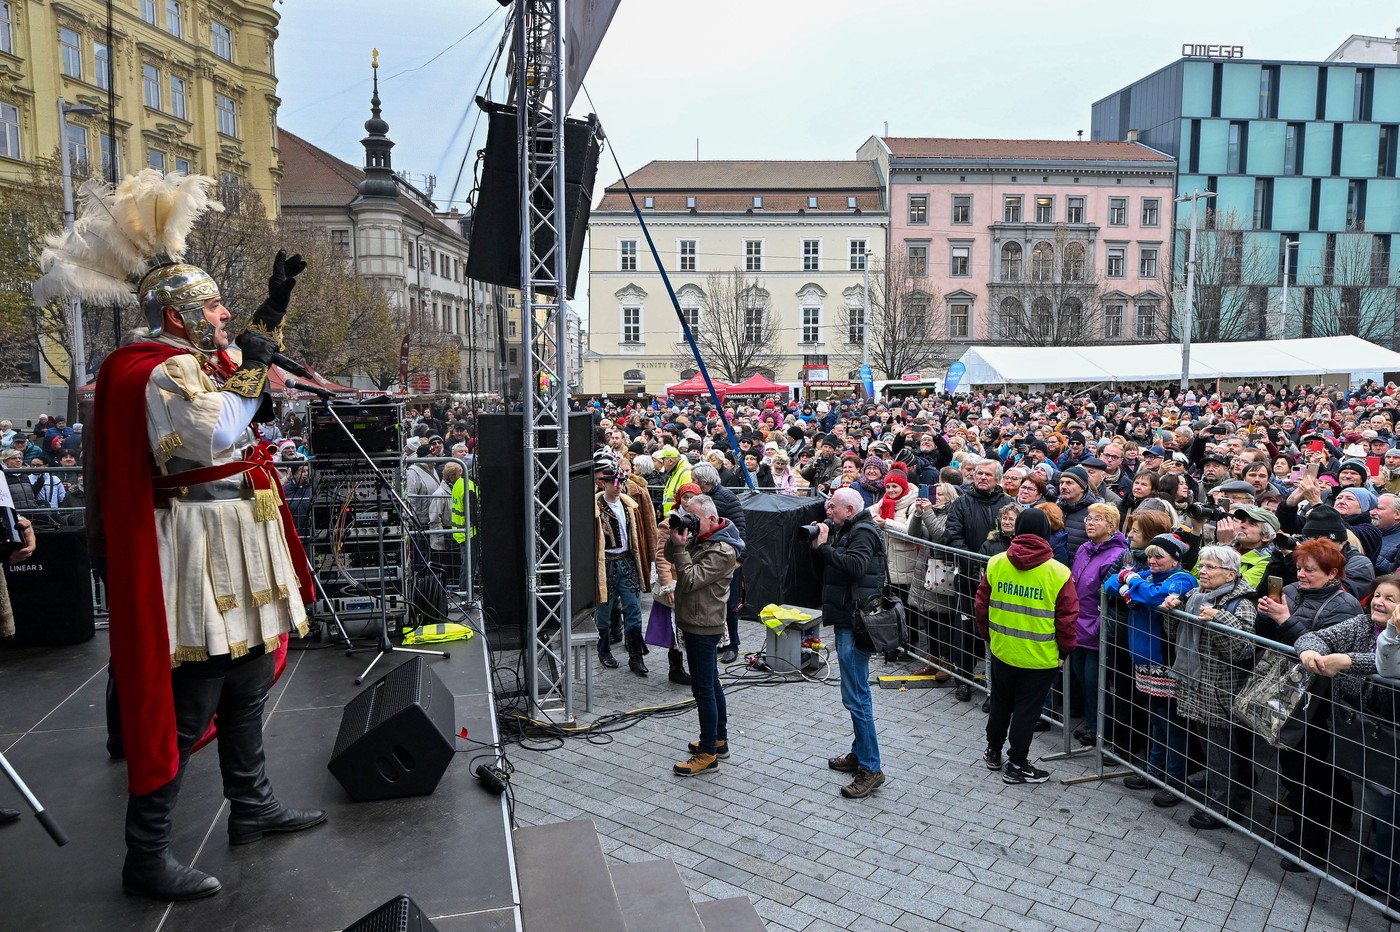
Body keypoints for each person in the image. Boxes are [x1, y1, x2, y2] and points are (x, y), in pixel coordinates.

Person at [38, 170, 325, 902]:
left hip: (236, 533)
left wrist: (273, 308)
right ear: (179, 313)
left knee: (248, 678)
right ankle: (147, 854)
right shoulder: (156, 369)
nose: (224, 315)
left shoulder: (196, 361)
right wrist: (253, 363)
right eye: (215, 306)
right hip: (197, 542)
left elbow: (242, 377)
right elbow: (214, 430)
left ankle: (252, 806)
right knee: (193, 694)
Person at [975, 507, 1077, 785]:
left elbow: (981, 606)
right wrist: (1065, 651)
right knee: (1026, 711)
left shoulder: (996, 563)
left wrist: (990, 637)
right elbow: (1067, 619)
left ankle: (993, 751)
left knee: (1000, 702)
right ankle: (1018, 764)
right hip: (1040, 656)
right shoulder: (1059, 572)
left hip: (1003, 649)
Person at [1165, 546, 1258, 830]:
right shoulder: (1196, 595)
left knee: (1221, 754)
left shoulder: (1241, 604)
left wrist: (1218, 618)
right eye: (1202, 565)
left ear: (1230, 574)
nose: (1202, 571)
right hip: (1197, 685)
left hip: (1220, 691)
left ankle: (1224, 808)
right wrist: (1172, 610)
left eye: (1210, 567)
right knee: (1212, 750)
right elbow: (1173, 633)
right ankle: (1223, 796)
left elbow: (1242, 651)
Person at [1106, 532, 1199, 806]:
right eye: (1150, 555)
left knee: (1172, 724)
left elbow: (1154, 596)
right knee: (1156, 720)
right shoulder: (1147, 575)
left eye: (1159, 556)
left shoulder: (1182, 579)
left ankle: (1175, 782)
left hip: (1166, 662)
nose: (1152, 561)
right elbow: (1109, 583)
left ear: (1175, 560)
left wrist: (1131, 581)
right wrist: (1127, 587)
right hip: (1143, 661)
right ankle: (1155, 772)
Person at [811, 487, 887, 799]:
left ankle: (871, 767)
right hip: (847, 618)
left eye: (833, 507)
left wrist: (824, 547)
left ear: (850, 510)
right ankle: (860, 753)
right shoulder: (851, 529)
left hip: (854, 624)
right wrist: (821, 545)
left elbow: (855, 567)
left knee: (857, 697)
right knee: (855, 693)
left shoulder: (863, 532)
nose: (827, 511)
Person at [665, 494, 743, 777]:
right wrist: (676, 535)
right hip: (697, 620)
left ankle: (708, 754)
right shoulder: (703, 537)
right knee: (711, 683)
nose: (691, 523)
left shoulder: (722, 550)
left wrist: (681, 547)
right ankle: (718, 740)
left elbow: (689, 579)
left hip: (703, 625)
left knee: (703, 690)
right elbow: (668, 557)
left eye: (694, 518)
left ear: (711, 518)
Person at [592, 449, 657, 675]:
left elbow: (644, 532)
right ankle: (604, 650)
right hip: (606, 563)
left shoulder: (630, 506)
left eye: (621, 481)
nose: (619, 486)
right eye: (614, 482)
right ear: (604, 484)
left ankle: (636, 656)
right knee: (604, 609)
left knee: (633, 608)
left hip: (627, 560)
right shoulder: (595, 507)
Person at [1067, 502, 1128, 746]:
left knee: (1095, 681)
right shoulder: (1084, 548)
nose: (1090, 523)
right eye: (1089, 519)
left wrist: (1099, 625)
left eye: (1097, 519)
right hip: (1077, 622)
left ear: (1111, 526)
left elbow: (1109, 596)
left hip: (1096, 626)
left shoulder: (1118, 554)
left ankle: (1101, 728)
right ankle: (1092, 722)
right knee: (1082, 678)